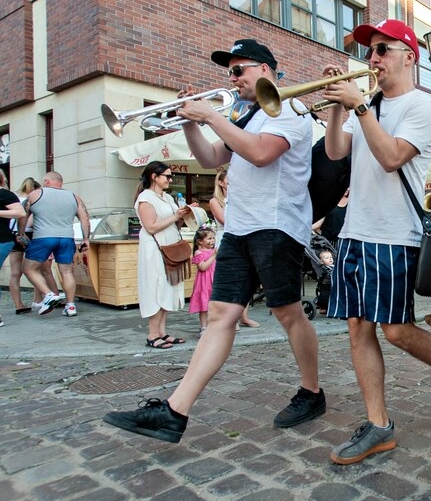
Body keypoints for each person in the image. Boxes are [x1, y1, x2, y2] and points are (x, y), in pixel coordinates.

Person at [104, 38, 324, 443]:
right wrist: (189, 121)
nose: (232, 79)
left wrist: (210, 115)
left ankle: (312, 391)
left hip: (276, 225)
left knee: (288, 312)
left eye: (239, 71)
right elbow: (209, 158)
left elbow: (260, 153)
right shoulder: (243, 114)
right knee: (221, 314)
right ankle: (175, 411)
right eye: (229, 73)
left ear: (265, 70)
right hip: (239, 227)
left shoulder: (290, 108)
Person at [321, 18, 431, 464]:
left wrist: (359, 108)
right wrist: (336, 109)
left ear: (410, 55)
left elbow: (390, 158)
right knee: (357, 327)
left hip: (393, 236)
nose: (374, 59)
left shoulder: (421, 108)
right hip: (354, 231)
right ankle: (379, 425)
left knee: (397, 330)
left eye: (383, 49)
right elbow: (333, 152)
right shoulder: (369, 105)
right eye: (371, 51)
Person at [128, 162, 195, 348]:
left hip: (169, 245)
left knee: (168, 288)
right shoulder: (145, 198)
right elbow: (151, 227)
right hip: (155, 249)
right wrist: (175, 216)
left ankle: (162, 332)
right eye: (167, 176)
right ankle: (152, 334)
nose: (170, 179)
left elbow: (174, 224)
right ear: (154, 177)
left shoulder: (167, 197)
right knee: (156, 287)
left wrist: (182, 216)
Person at [16, 171, 91, 317]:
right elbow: (85, 219)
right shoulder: (74, 197)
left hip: (43, 238)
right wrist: (86, 239)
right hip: (66, 238)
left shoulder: (36, 194)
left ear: (47, 181)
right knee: (67, 272)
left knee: (28, 268)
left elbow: (23, 215)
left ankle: (49, 294)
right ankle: (70, 306)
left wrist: (21, 233)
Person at [207, 167, 259, 329]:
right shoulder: (215, 201)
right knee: (229, 280)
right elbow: (224, 220)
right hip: (225, 238)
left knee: (244, 276)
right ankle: (230, 318)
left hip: (242, 236)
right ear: (221, 183)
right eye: (229, 182)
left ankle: (244, 316)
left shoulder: (240, 198)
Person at [9, 177, 61, 315]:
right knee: (41, 269)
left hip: (14, 235)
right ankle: (47, 297)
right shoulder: (35, 199)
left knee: (15, 273)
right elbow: (30, 221)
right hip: (31, 236)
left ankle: (19, 305)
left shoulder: (14, 198)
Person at [1, 172, 28, 327]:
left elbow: (21, 214)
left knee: (16, 272)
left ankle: (17, 306)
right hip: (12, 238)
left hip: (5, 239)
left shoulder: (6, 194)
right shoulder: (7, 194)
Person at [189, 226, 217, 336]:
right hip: (204, 282)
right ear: (200, 241)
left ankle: (213, 326)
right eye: (209, 239)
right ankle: (203, 327)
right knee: (204, 304)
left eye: (213, 238)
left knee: (213, 304)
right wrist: (214, 256)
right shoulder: (198, 252)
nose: (212, 241)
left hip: (213, 279)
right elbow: (203, 267)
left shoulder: (212, 251)